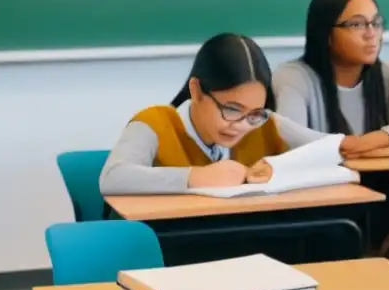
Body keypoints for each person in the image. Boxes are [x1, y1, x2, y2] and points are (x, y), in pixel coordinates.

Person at [100, 32, 322, 195]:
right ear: (196, 91)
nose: (241, 125)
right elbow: (112, 177)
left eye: (254, 113)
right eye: (231, 109)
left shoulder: (262, 123)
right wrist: (196, 176)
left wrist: (281, 167)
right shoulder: (155, 123)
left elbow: (329, 149)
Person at [272, 0, 389, 156]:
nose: (371, 34)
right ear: (326, 33)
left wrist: (374, 140)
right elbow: (286, 131)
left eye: (376, 23)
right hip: (322, 181)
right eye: (356, 25)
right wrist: (345, 144)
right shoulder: (294, 77)